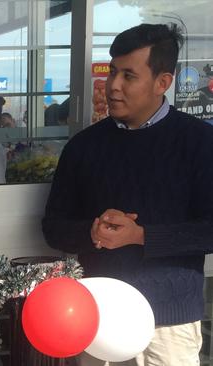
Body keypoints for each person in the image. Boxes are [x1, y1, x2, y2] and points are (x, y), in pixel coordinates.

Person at [42, 23, 213, 366]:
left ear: (163, 82)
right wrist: (91, 233)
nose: (113, 86)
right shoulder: (83, 146)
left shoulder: (200, 143)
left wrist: (142, 236)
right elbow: (53, 227)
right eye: (112, 72)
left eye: (129, 76)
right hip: (97, 313)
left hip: (169, 318)